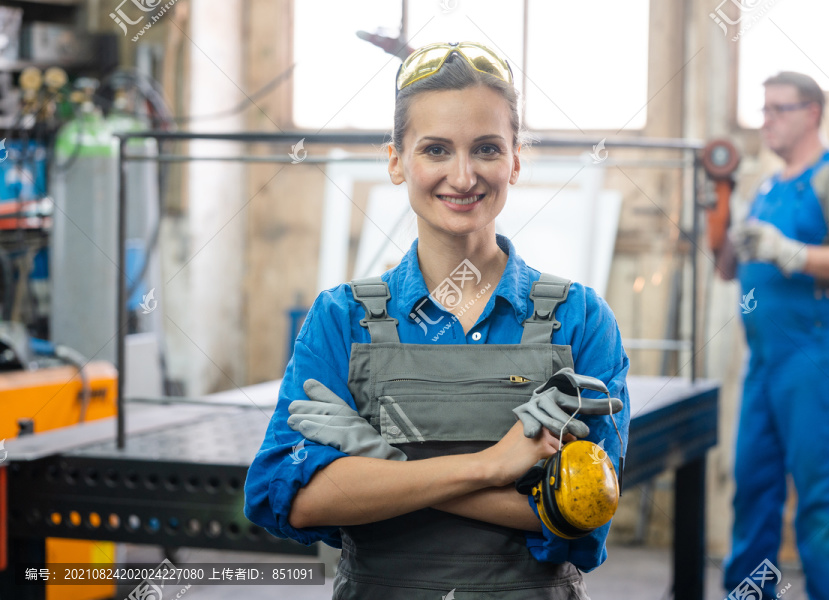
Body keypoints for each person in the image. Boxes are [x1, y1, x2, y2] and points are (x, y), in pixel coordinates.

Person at [244, 41, 631, 599]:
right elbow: (289, 498)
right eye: (436, 150)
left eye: (487, 149)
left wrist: (378, 463)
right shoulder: (342, 319)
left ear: (515, 160)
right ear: (397, 160)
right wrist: (491, 468)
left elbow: (585, 515)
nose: (463, 175)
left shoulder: (580, 320)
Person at [717, 71, 829, 600]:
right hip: (764, 362)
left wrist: (790, 252)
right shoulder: (768, 186)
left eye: (775, 110)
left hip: (816, 357)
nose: (764, 122)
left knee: (816, 492)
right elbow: (726, 268)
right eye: (762, 110)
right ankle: (748, 593)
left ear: (811, 112)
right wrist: (720, 211)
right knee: (754, 488)